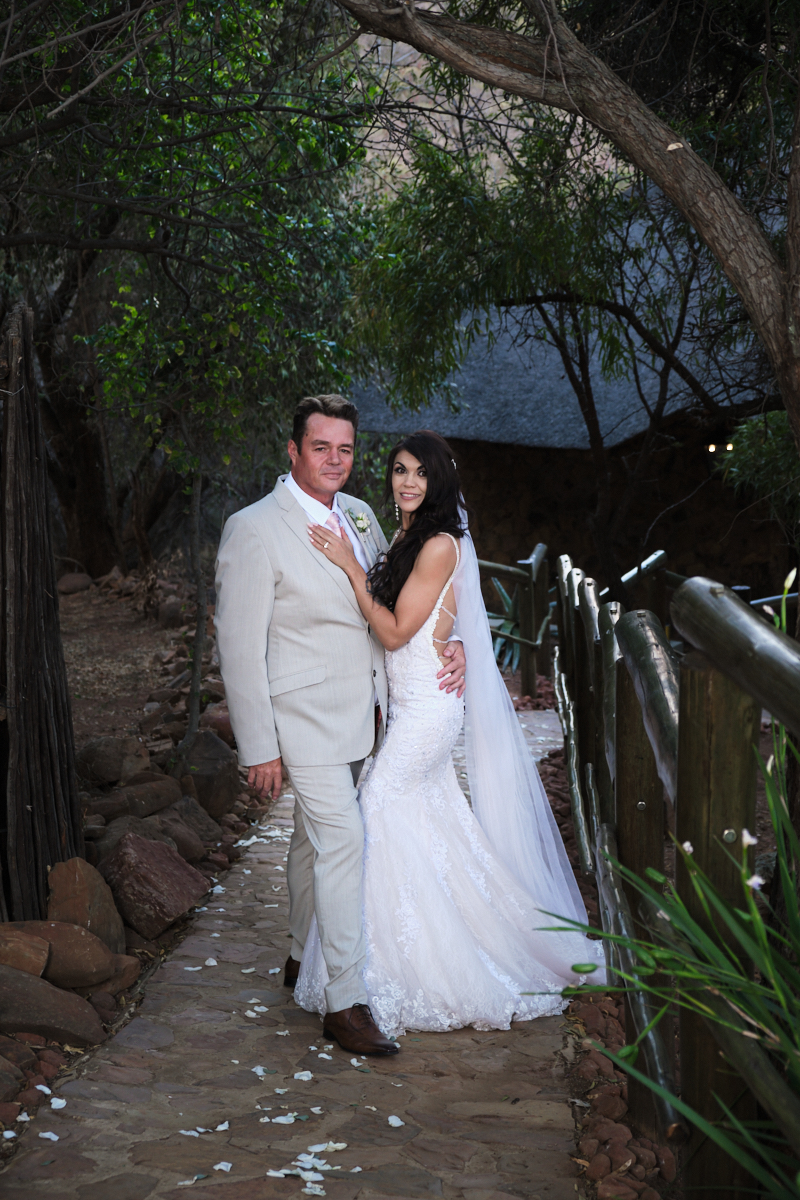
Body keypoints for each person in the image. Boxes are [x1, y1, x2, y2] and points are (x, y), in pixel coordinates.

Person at [298, 430, 603, 1036]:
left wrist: (349, 565)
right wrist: (454, 636)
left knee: (377, 808)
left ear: (440, 480)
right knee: (430, 822)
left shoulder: (438, 543)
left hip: (428, 711)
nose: (408, 482)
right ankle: (430, 949)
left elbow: (394, 632)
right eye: (399, 470)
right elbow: (434, 616)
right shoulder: (408, 537)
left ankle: (387, 972)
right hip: (409, 704)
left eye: (420, 472)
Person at [214, 396, 466, 1056]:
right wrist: (259, 746)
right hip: (301, 718)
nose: (334, 460)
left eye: (345, 449)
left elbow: (401, 597)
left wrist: (452, 641)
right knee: (345, 839)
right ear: (293, 451)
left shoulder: (359, 515)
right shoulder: (253, 528)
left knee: (310, 840)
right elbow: (238, 646)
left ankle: (301, 954)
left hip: (370, 714)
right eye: (320, 447)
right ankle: (345, 1002)